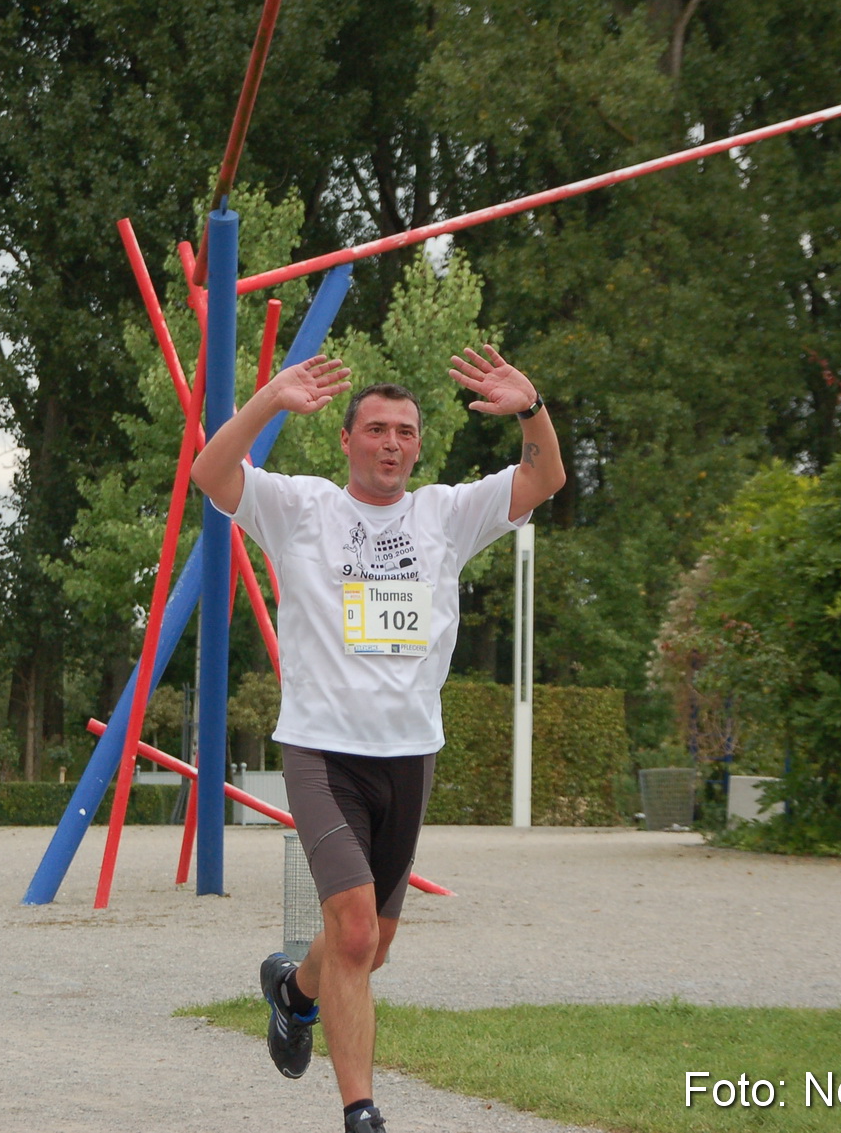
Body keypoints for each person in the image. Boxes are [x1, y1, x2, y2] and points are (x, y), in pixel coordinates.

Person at [191, 344, 566, 1133]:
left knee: (368, 948)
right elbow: (211, 474)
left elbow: (543, 479)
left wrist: (531, 408)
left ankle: (294, 993)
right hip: (323, 750)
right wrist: (267, 401)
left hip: (410, 754)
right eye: (375, 429)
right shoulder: (304, 509)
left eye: (404, 431)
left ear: (418, 445)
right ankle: (362, 1112)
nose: (390, 443)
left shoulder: (444, 514)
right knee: (354, 927)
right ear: (348, 440)